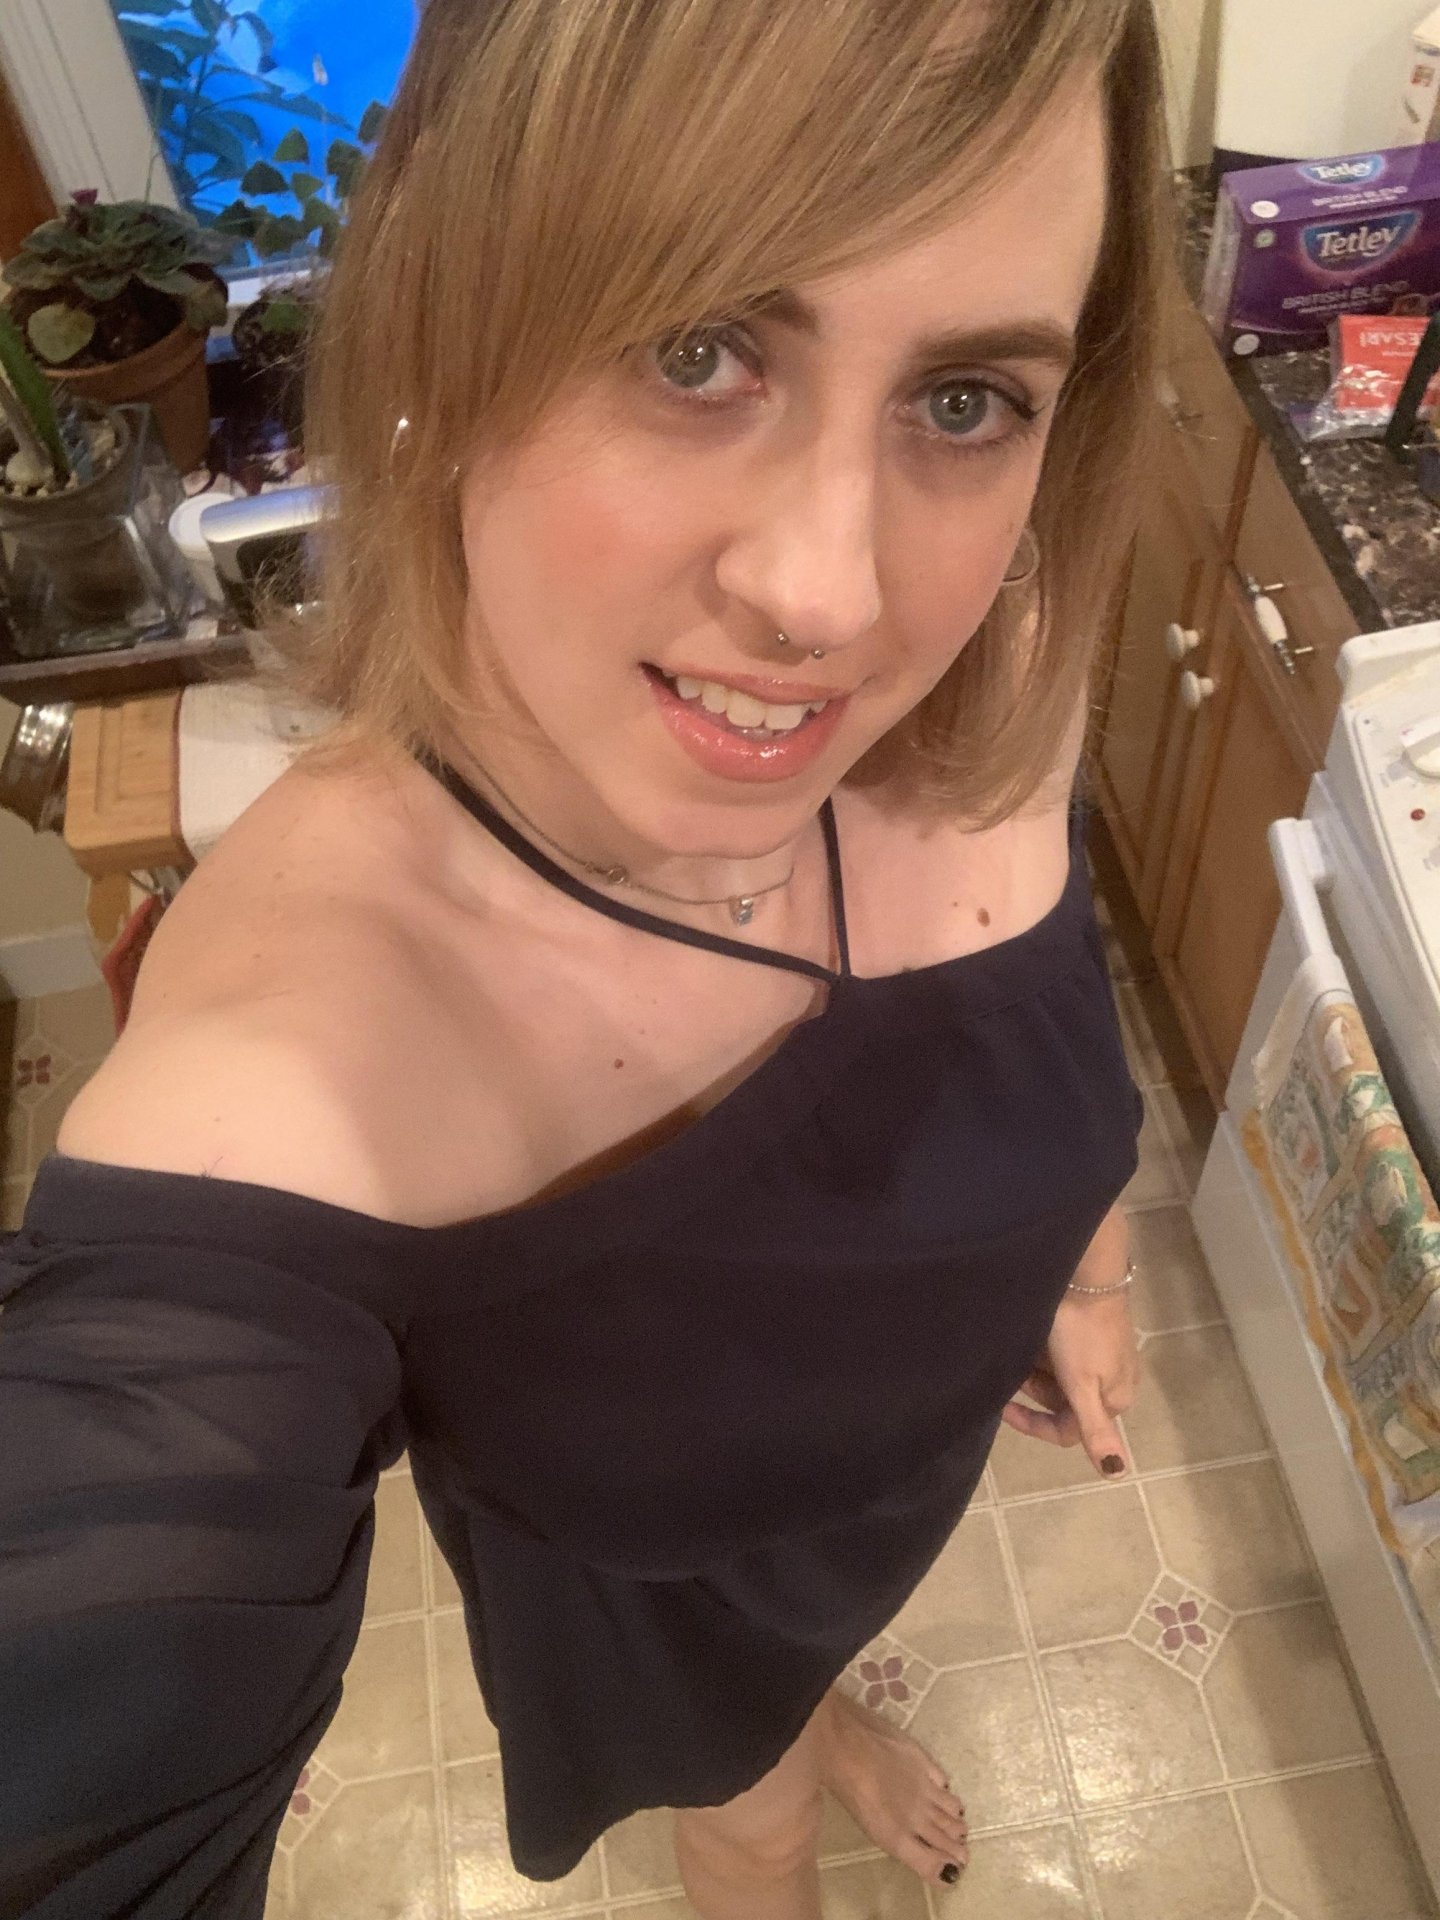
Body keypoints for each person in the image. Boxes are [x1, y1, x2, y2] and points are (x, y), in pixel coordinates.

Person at [0, 0, 1171, 1912]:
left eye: (964, 398)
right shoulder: (300, 1063)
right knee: (748, 1809)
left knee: (811, 1669)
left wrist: (1082, 1265)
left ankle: (820, 1709)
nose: (830, 599)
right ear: (445, 318)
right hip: (674, 1607)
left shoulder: (1005, 622)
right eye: (697, 347)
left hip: (907, 1482)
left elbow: (1047, 987)